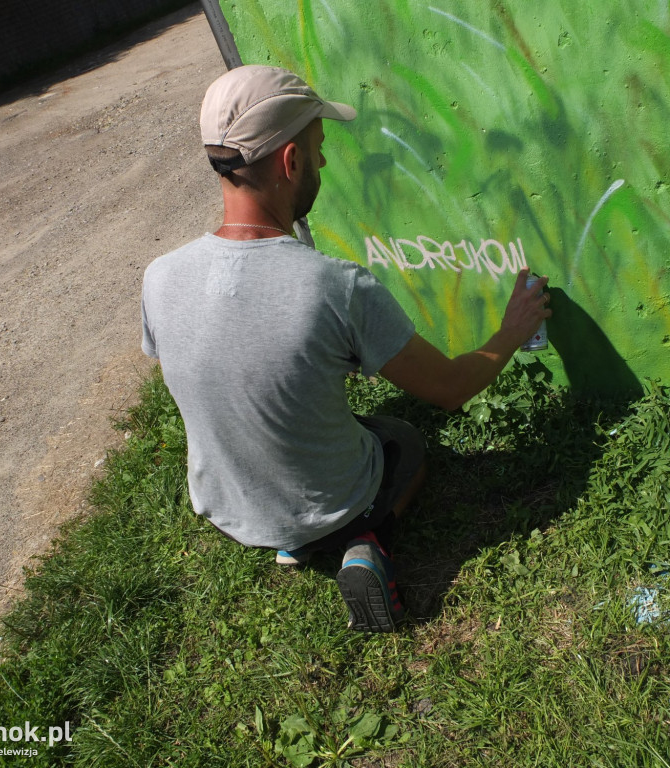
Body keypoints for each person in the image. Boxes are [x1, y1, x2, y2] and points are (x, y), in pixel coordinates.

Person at [140, 65, 550, 633]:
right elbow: (453, 390)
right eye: (318, 148)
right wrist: (512, 329)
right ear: (290, 162)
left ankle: (288, 542)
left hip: (228, 510)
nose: (324, 162)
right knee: (404, 442)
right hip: (329, 502)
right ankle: (362, 541)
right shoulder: (334, 286)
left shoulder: (159, 278)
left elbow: (222, 364)